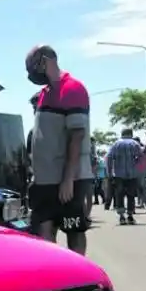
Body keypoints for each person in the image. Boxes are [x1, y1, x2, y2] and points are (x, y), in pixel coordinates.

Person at [25, 45, 94, 254]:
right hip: (45, 181)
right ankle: (52, 276)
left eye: (32, 68)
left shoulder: (73, 88)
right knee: (43, 230)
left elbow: (77, 136)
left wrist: (68, 179)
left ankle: (78, 275)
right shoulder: (45, 93)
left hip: (68, 180)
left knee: (73, 229)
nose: (32, 75)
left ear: (45, 61)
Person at [105, 128, 143, 225]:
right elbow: (142, 157)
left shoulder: (116, 144)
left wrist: (109, 172)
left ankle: (121, 216)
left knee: (119, 195)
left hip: (119, 174)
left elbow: (109, 158)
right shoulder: (135, 144)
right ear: (131, 134)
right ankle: (130, 216)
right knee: (131, 195)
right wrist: (138, 169)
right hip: (132, 174)